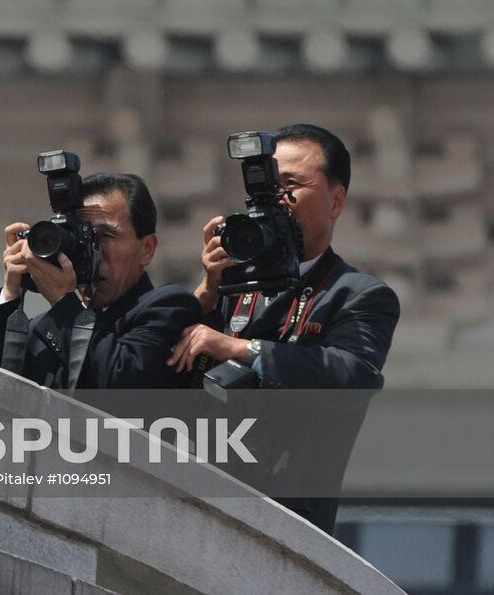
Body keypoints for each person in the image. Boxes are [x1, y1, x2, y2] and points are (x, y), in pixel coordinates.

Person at [168, 123, 401, 534]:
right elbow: (163, 367)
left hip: (288, 519)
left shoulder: (358, 294)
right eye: (267, 189)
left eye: (291, 186)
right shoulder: (230, 284)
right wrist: (206, 290)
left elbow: (351, 377)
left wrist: (240, 349)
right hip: (196, 498)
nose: (277, 202)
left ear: (336, 201)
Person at [0, 174, 200, 390]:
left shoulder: (169, 307)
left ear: (147, 249)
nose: (93, 250)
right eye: (84, 237)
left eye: (106, 236)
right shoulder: (45, 326)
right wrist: (10, 292)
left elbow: (122, 385)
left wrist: (62, 302)